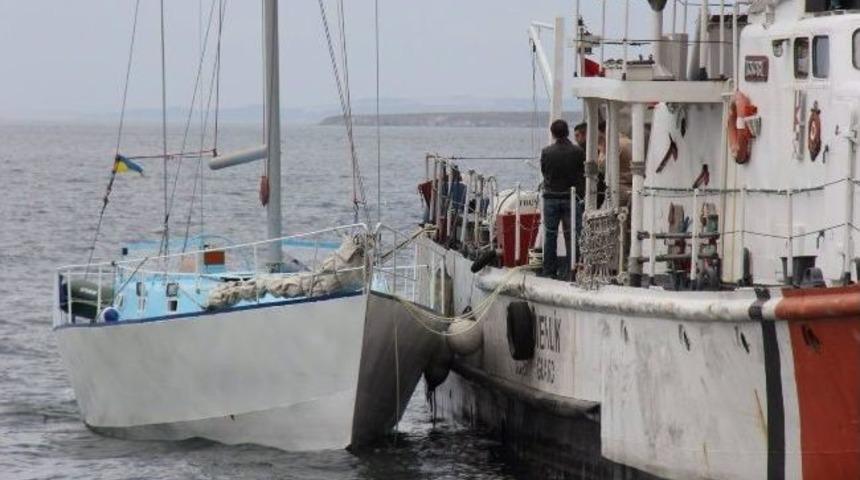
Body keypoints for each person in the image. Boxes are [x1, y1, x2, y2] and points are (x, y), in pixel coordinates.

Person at [540, 119, 585, 279]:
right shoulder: (578, 152)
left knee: (550, 235)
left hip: (551, 197)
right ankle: (573, 269)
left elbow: (544, 171)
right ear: (567, 132)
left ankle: (549, 271)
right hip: (570, 198)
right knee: (573, 235)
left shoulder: (546, 152)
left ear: (553, 134)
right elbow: (581, 174)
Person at [597, 121, 633, 206]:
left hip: (619, 188)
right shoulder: (627, 141)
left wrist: (602, 149)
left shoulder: (615, 144)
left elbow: (602, 167)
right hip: (631, 186)